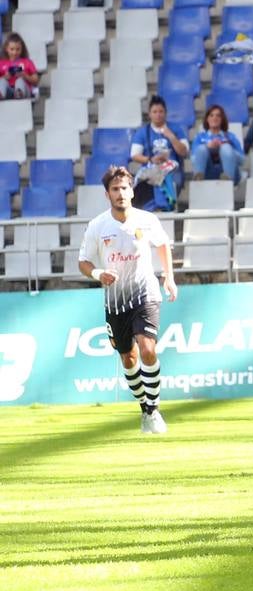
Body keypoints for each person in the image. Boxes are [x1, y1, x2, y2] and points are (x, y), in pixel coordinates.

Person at [78, 166, 177, 436]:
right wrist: (98, 273)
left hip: (145, 292)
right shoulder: (98, 225)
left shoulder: (147, 220)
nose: (120, 193)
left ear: (132, 190)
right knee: (128, 357)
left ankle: (153, 410)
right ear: (107, 194)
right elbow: (83, 262)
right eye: (115, 189)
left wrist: (168, 276)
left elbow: (162, 245)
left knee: (147, 348)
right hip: (115, 300)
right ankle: (144, 406)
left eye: (124, 188)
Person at [129, 96, 189, 212]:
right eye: (155, 112)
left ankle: (164, 207)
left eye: (161, 111)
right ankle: (157, 207)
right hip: (150, 169)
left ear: (166, 113)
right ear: (149, 114)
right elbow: (134, 155)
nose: (158, 115)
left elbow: (184, 152)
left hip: (172, 170)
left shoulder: (176, 129)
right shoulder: (142, 132)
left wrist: (171, 136)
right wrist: (151, 159)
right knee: (150, 179)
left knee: (164, 178)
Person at [189, 104, 244, 183]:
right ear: (207, 119)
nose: (214, 118)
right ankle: (198, 180)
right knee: (202, 149)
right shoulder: (200, 137)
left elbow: (241, 160)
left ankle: (227, 179)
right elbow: (194, 160)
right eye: (211, 115)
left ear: (222, 119)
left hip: (230, 172)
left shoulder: (230, 137)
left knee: (226, 148)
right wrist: (207, 147)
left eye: (218, 116)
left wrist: (226, 147)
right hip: (208, 172)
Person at [0, 33, 40, 100]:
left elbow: (36, 80)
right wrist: (5, 76)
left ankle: (19, 94)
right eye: (12, 49)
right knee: (2, 81)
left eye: (18, 49)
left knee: (20, 80)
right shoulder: (1, 63)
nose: (15, 52)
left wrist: (25, 76)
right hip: (8, 91)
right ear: (7, 49)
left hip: (25, 90)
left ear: (22, 49)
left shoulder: (27, 62)